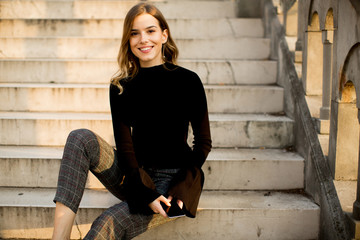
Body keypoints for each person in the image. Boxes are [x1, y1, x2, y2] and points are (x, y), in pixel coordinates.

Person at [52, 2, 212, 239]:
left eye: (150, 31)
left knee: (107, 222)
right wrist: (143, 190)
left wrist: (182, 184)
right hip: (135, 175)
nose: (143, 40)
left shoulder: (188, 81)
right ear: (128, 40)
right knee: (80, 138)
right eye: (134, 33)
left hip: (170, 183)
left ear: (164, 34)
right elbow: (126, 148)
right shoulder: (121, 86)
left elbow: (203, 142)